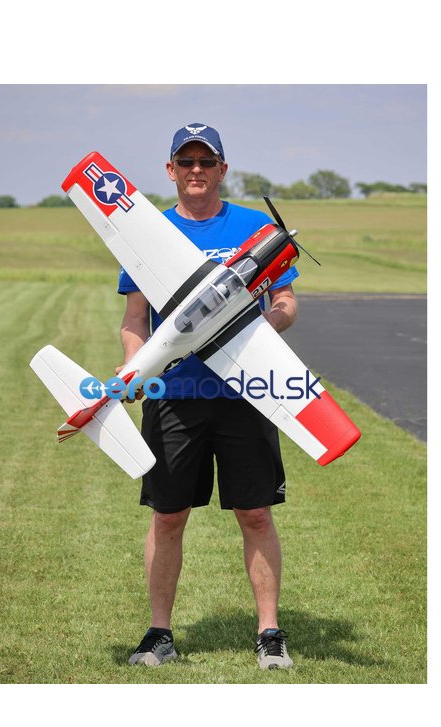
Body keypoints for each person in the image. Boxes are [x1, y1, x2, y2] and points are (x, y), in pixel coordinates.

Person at [118, 123, 299, 670]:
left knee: (255, 513)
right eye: (186, 161)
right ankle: (159, 634)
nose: (196, 170)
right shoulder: (148, 233)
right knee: (168, 516)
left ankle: (269, 633)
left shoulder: (255, 228)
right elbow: (135, 319)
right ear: (171, 170)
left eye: (206, 161)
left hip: (246, 391)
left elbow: (286, 302)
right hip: (174, 394)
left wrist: (263, 325)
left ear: (223, 169)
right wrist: (133, 368)